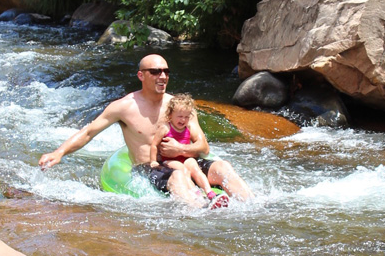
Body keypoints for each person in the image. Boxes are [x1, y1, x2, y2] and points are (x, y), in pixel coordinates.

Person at [38, 55, 253, 205]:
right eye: (155, 72)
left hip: (186, 158)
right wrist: (59, 152)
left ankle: (253, 208)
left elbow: (203, 146)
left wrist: (179, 147)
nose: (163, 76)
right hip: (151, 168)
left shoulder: (180, 107)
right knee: (178, 177)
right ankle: (201, 216)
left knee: (223, 167)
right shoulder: (124, 107)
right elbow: (88, 132)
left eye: (166, 72)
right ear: (141, 75)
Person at [149, 92, 220, 202]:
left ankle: (209, 192)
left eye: (186, 117)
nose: (183, 120)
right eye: (180, 116)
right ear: (170, 115)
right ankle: (194, 192)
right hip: (170, 160)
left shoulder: (188, 128)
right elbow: (154, 145)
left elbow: (201, 146)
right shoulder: (165, 128)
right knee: (183, 170)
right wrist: (153, 161)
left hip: (185, 158)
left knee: (196, 169)